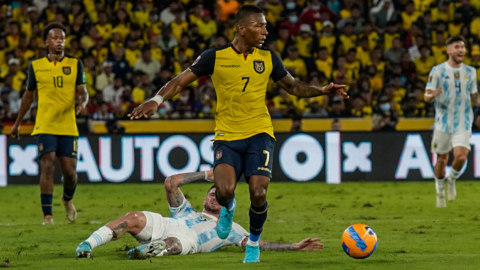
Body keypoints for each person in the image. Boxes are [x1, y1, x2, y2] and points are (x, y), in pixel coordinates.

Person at [127, 5, 347, 263]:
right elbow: (179, 81)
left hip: (260, 132)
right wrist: (156, 99)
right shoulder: (214, 56)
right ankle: (228, 209)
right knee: (224, 191)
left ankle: (253, 243)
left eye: (265, 26)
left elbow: (294, 87)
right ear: (242, 29)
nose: (265, 31)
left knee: (258, 192)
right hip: (227, 136)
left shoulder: (268, 58)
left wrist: (322, 91)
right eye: (259, 26)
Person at [75, 169, 323, 258]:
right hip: (169, 223)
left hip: (190, 240)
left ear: (229, 203)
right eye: (211, 193)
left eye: (221, 195)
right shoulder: (185, 209)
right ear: (205, 198)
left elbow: (256, 244)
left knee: (173, 243)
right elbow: (171, 182)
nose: (215, 195)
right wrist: (207, 175)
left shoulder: (232, 229)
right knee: (132, 217)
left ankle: (140, 254)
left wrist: (294, 247)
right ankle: (88, 244)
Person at [9, 22, 88, 225]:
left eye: (62, 38)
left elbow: (83, 92)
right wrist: (17, 123)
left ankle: (67, 199)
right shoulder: (36, 66)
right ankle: (48, 215)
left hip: (68, 125)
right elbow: (28, 96)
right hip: (44, 125)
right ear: (47, 42)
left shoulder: (75, 63)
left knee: (70, 173)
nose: (59, 41)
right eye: (55, 38)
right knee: (47, 165)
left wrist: (82, 103)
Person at [424, 36, 477, 208]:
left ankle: (452, 180)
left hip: (463, 121)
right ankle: (440, 191)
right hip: (443, 122)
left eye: (462, 47)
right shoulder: (438, 71)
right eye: (457, 47)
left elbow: (474, 96)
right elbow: (426, 95)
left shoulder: (471, 72)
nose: (461, 50)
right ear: (448, 50)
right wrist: (431, 95)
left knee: (461, 157)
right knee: (441, 159)